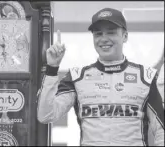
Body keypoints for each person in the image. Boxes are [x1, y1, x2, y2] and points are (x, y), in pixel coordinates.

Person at [37, 8, 164, 146]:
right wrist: (52, 69)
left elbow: (161, 131)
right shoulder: (76, 77)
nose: (104, 39)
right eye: (98, 34)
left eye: (111, 32)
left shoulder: (146, 77)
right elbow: (46, 115)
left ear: (125, 36)